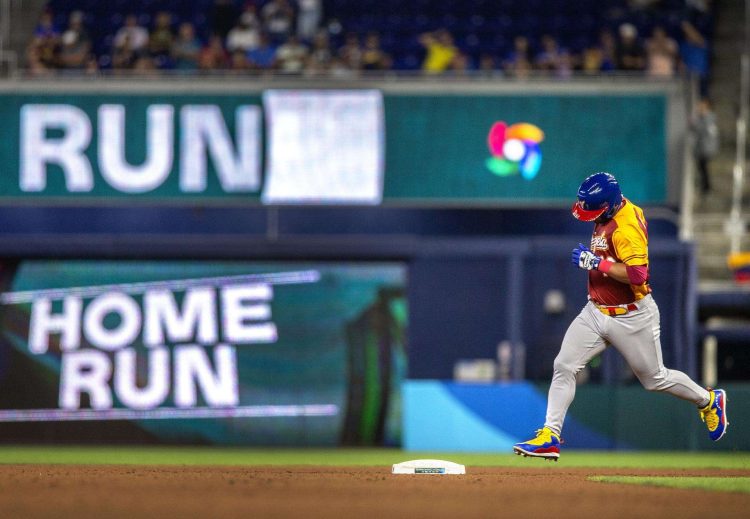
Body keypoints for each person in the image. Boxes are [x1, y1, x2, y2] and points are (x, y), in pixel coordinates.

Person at [513, 172, 728, 460]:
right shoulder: (610, 212)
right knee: (564, 365)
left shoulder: (625, 227)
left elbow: (639, 275)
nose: (588, 214)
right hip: (595, 310)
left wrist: (596, 263)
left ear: (610, 204)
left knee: (655, 379)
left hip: (632, 316)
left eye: (594, 209)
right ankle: (550, 435)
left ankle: (709, 400)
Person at [692, 98, 719, 194]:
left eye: (701, 106)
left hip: (706, 148)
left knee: (704, 168)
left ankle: (706, 188)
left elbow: (707, 132)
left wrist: (695, 124)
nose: (699, 108)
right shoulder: (700, 118)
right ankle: (705, 186)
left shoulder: (709, 118)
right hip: (700, 148)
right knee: (701, 168)